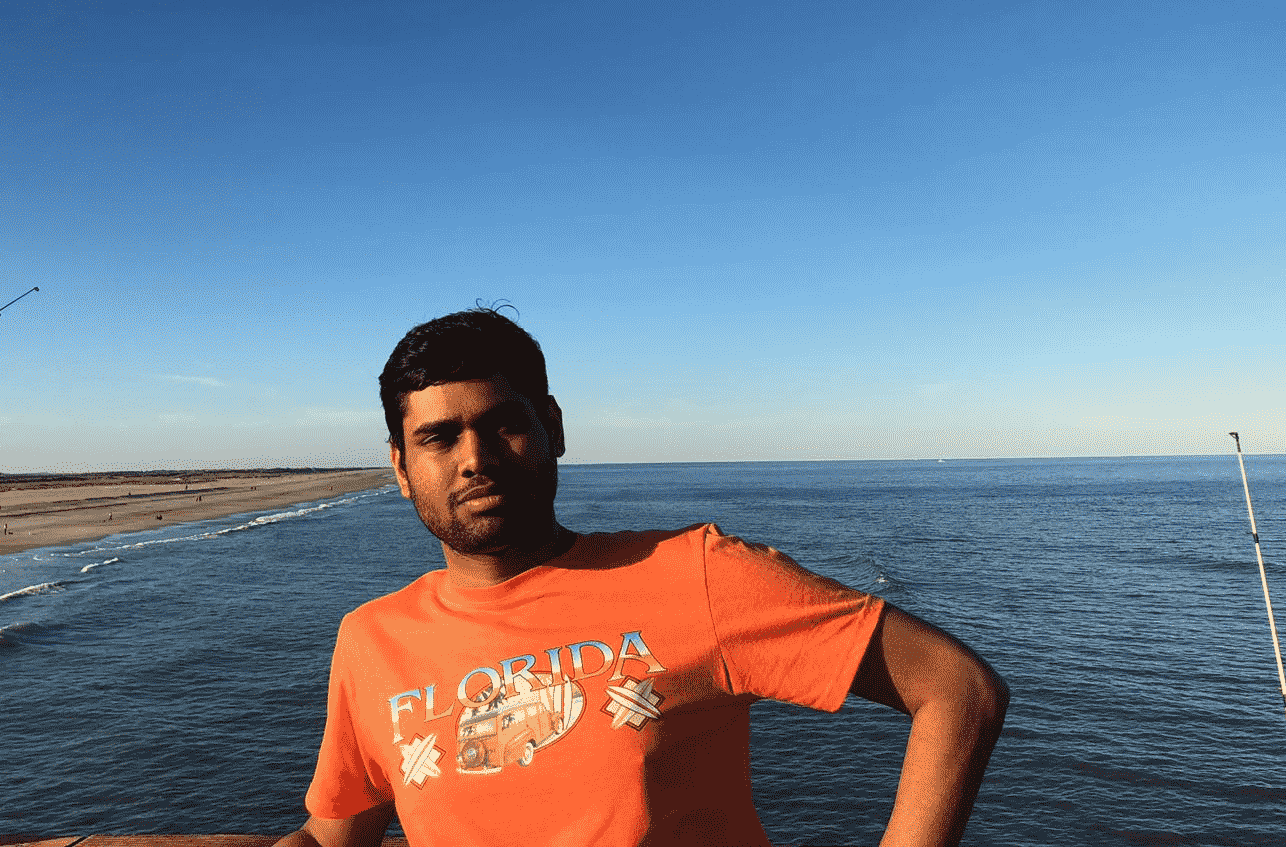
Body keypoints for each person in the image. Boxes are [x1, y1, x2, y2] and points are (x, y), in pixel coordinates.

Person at [277, 309, 1008, 847]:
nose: (475, 459)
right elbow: (336, 836)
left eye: (503, 424)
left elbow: (955, 687)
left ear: (553, 428)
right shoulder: (371, 640)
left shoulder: (697, 575)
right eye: (438, 438)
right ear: (402, 469)